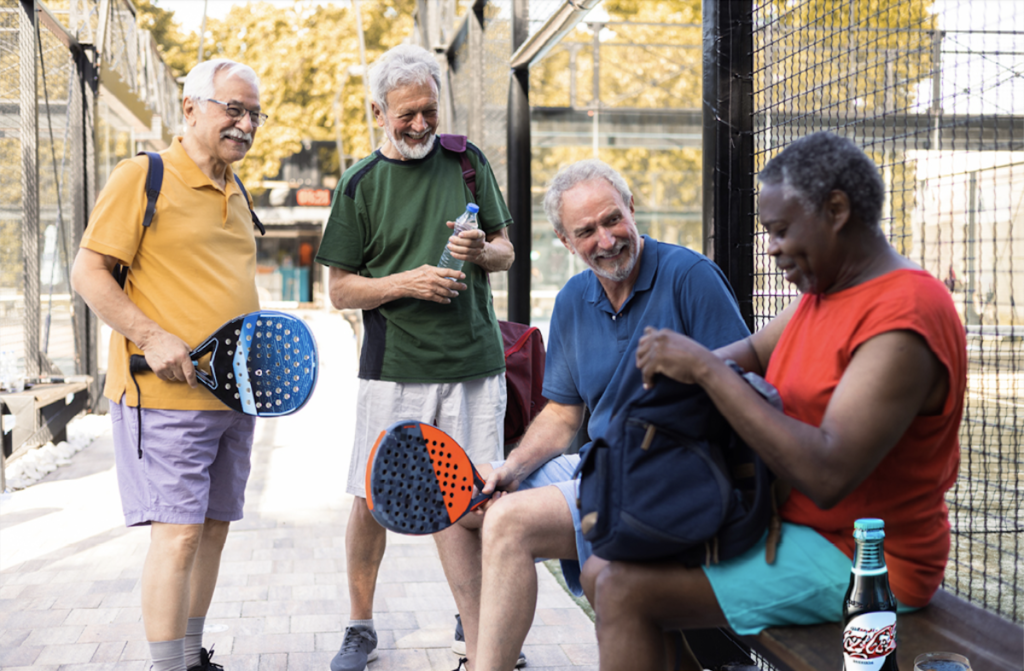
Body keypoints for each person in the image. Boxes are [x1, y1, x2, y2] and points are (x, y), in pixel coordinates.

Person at [583, 131, 968, 671]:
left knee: (624, 589)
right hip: (789, 525)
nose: (772, 247)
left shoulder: (903, 317)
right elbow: (745, 353)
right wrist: (674, 365)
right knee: (602, 569)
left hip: (866, 562)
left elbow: (829, 472)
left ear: (836, 209)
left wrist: (703, 368)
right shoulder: (824, 294)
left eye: (782, 230)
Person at [446, 159, 752, 671]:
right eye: (586, 231)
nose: (606, 240)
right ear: (566, 242)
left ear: (632, 209)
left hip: (670, 475)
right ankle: (483, 654)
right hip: (601, 466)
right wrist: (508, 470)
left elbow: (742, 384)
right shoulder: (572, 299)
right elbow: (563, 415)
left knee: (509, 522)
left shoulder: (690, 277)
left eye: (612, 220)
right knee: (459, 498)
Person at [313, 44, 515, 671]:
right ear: (379, 112)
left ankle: (477, 625)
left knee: (479, 498)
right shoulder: (359, 184)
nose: (422, 124)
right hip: (393, 368)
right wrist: (407, 282)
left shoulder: (468, 162)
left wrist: (481, 249)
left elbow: (506, 252)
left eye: (429, 110)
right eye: (407, 115)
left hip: (475, 365)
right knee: (371, 497)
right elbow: (340, 289)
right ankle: (359, 626)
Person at [70, 59, 268, 671]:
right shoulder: (144, 176)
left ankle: (189, 656)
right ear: (191, 108)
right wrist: (151, 335)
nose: (245, 124)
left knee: (211, 529)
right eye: (233, 108)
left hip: (231, 398)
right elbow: (87, 272)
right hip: (163, 396)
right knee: (177, 533)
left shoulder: (236, 188)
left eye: (255, 114)